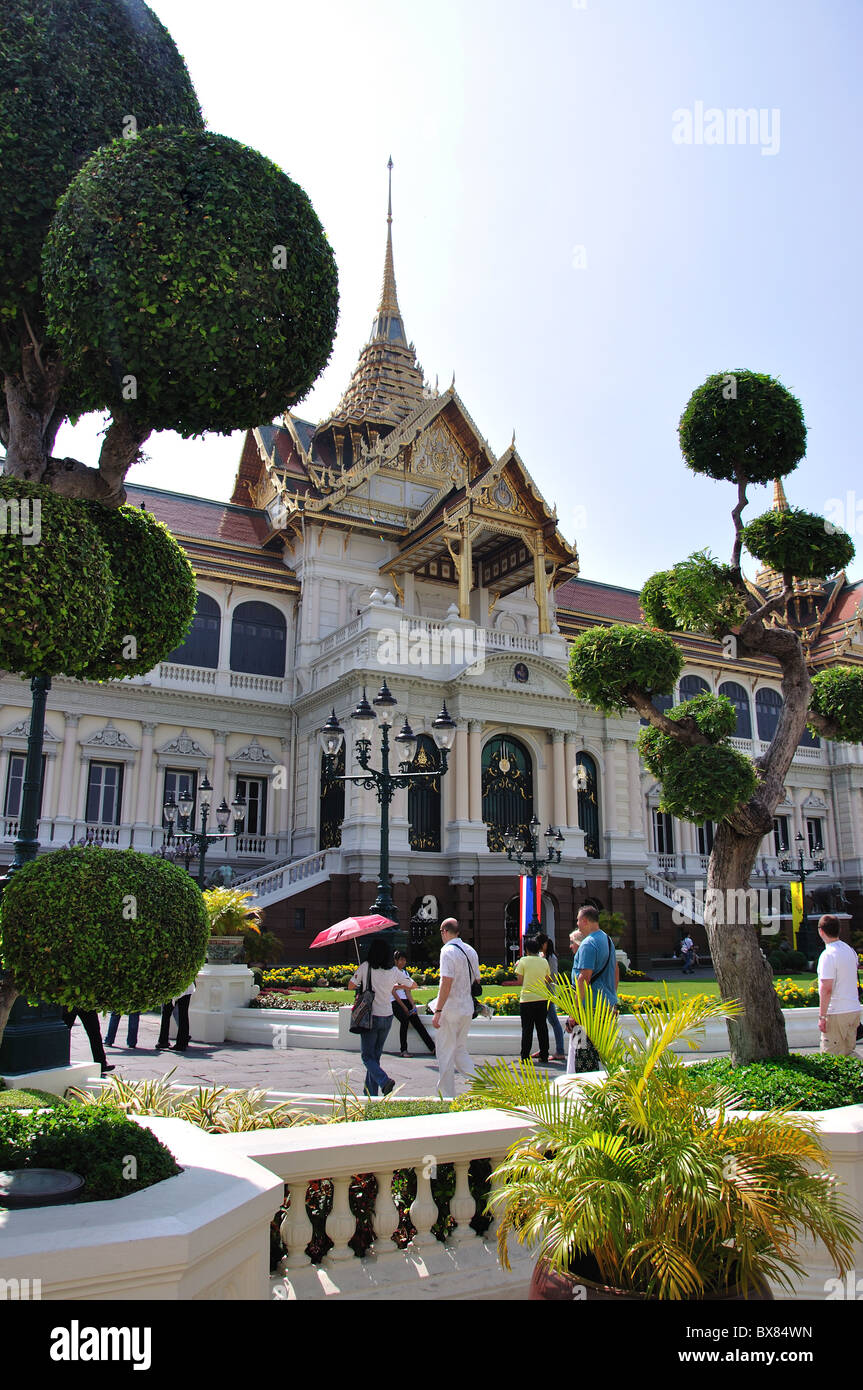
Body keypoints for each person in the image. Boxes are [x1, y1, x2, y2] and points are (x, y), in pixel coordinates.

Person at [567, 905, 619, 1072]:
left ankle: (585, 1093)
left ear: (585, 921)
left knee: (583, 1057)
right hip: (607, 1006)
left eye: (578, 920)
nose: (577, 924)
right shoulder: (607, 940)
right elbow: (616, 970)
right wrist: (612, 996)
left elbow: (583, 979)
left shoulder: (588, 944)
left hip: (589, 1011)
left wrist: (574, 1012)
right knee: (604, 1055)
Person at [433, 917, 479, 1100]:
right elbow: (477, 980)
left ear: (444, 932)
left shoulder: (447, 951)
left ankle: (445, 1096)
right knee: (459, 1049)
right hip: (467, 1008)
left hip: (450, 1009)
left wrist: (438, 1010)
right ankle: (481, 1084)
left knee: (445, 1052)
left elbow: (446, 982)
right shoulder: (470, 951)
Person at [349, 935, 401, 1096]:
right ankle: (371, 1094)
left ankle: (384, 1081)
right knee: (375, 1057)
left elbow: (351, 986)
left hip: (370, 1017)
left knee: (367, 1057)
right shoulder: (393, 970)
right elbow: (412, 984)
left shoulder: (366, 967)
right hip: (387, 1016)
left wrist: (361, 977)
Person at [816, 914, 861, 1056]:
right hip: (853, 1009)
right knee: (849, 1054)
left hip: (836, 1012)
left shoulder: (828, 955)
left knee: (831, 1059)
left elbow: (826, 989)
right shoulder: (850, 950)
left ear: (821, 931)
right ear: (839, 930)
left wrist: (822, 1017)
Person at [514, 934, 551, 1064]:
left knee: (527, 1029)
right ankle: (544, 1055)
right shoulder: (544, 961)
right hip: (542, 998)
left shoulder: (523, 961)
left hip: (527, 999)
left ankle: (525, 1056)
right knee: (542, 1028)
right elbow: (548, 979)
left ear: (527, 950)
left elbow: (520, 980)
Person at [392, 950, 435, 1057]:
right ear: (395, 960)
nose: (403, 962)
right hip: (394, 1002)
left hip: (405, 1001)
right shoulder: (391, 972)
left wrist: (412, 1005)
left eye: (404, 960)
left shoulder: (405, 973)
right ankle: (404, 1050)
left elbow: (409, 990)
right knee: (404, 1021)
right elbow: (392, 992)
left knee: (417, 1022)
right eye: (401, 960)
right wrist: (404, 1007)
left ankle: (432, 1047)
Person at [537, 934, 566, 1061]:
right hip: (540, 994)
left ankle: (560, 1050)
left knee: (554, 1021)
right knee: (541, 1023)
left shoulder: (551, 958)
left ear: (545, 944)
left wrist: (537, 978)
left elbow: (553, 977)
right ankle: (543, 1049)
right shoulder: (541, 956)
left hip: (548, 994)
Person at [62, 1008, 113, 1077]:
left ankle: (101, 1063)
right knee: (64, 1033)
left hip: (87, 1004)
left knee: (94, 1032)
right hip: (72, 1003)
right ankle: (61, 1061)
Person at [156, 981, 195, 1052]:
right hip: (186, 986)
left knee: (167, 1014)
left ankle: (164, 1041)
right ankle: (181, 1042)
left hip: (173, 986)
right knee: (183, 1014)